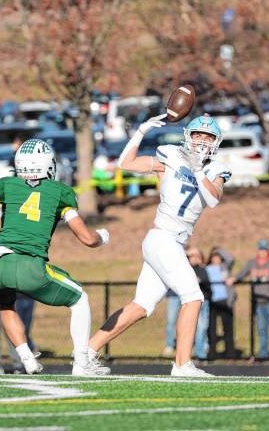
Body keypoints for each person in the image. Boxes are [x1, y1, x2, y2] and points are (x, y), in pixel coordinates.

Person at [88, 113, 231, 377]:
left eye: (207, 137)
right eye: (197, 135)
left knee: (141, 306)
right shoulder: (171, 156)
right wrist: (140, 131)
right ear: (188, 136)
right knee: (194, 297)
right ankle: (182, 364)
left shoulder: (215, 169)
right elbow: (125, 162)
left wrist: (198, 170)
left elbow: (213, 199)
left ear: (215, 142)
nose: (201, 141)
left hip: (172, 242)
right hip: (162, 237)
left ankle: (86, 353)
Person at [0, 139, 111, 376]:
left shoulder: (4, 186)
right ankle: (82, 363)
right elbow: (86, 238)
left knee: (6, 304)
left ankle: (27, 358)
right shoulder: (61, 193)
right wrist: (102, 237)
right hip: (29, 265)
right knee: (80, 299)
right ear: (49, 164)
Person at [227, 239, 269, 359]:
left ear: (268, 250)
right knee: (261, 328)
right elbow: (242, 273)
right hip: (259, 302)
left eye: (264, 249)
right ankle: (263, 353)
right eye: (260, 249)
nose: (262, 252)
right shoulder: (252, 263)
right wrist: (234, 279)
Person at [163, 246, 211, 360]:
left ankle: (199, 353)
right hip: (184, 299)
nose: (193, 258)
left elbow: (205, 281)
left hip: (198, 301)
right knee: (177, 323)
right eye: (191, 256)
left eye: (196, 256)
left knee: (200, 327)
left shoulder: (202, 269)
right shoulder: (181, 266)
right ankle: (176, 349)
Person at [206, 249, 236, 359]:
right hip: (212, 302)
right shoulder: (207, 269)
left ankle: (230, 353)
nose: (216, 259)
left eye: (218, 257)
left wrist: (219, 249)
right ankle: (212, 353)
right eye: (214, 256)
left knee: (228, 329)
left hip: (226, 302)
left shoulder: (225, 267)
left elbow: (231, 258)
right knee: (212, 329)